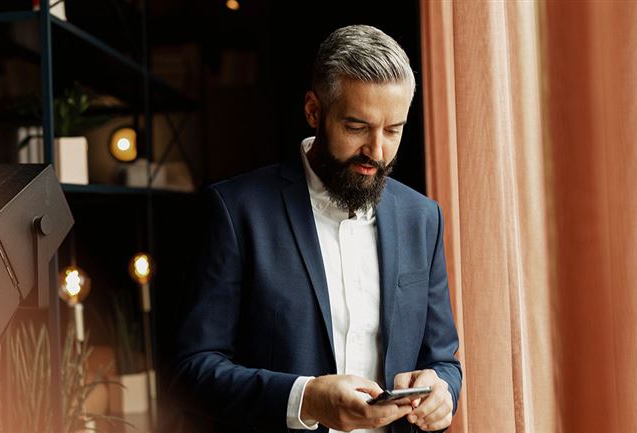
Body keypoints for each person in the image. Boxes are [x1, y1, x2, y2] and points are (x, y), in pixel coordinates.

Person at [173, 24, 461, 433]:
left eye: (393, 130)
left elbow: (444, 361)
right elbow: (194, 370)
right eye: (357, 127)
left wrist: (442, 392)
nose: (376, 151)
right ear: (314, 111)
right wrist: (306, 399)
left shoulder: (423, 217)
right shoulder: (236, 210)